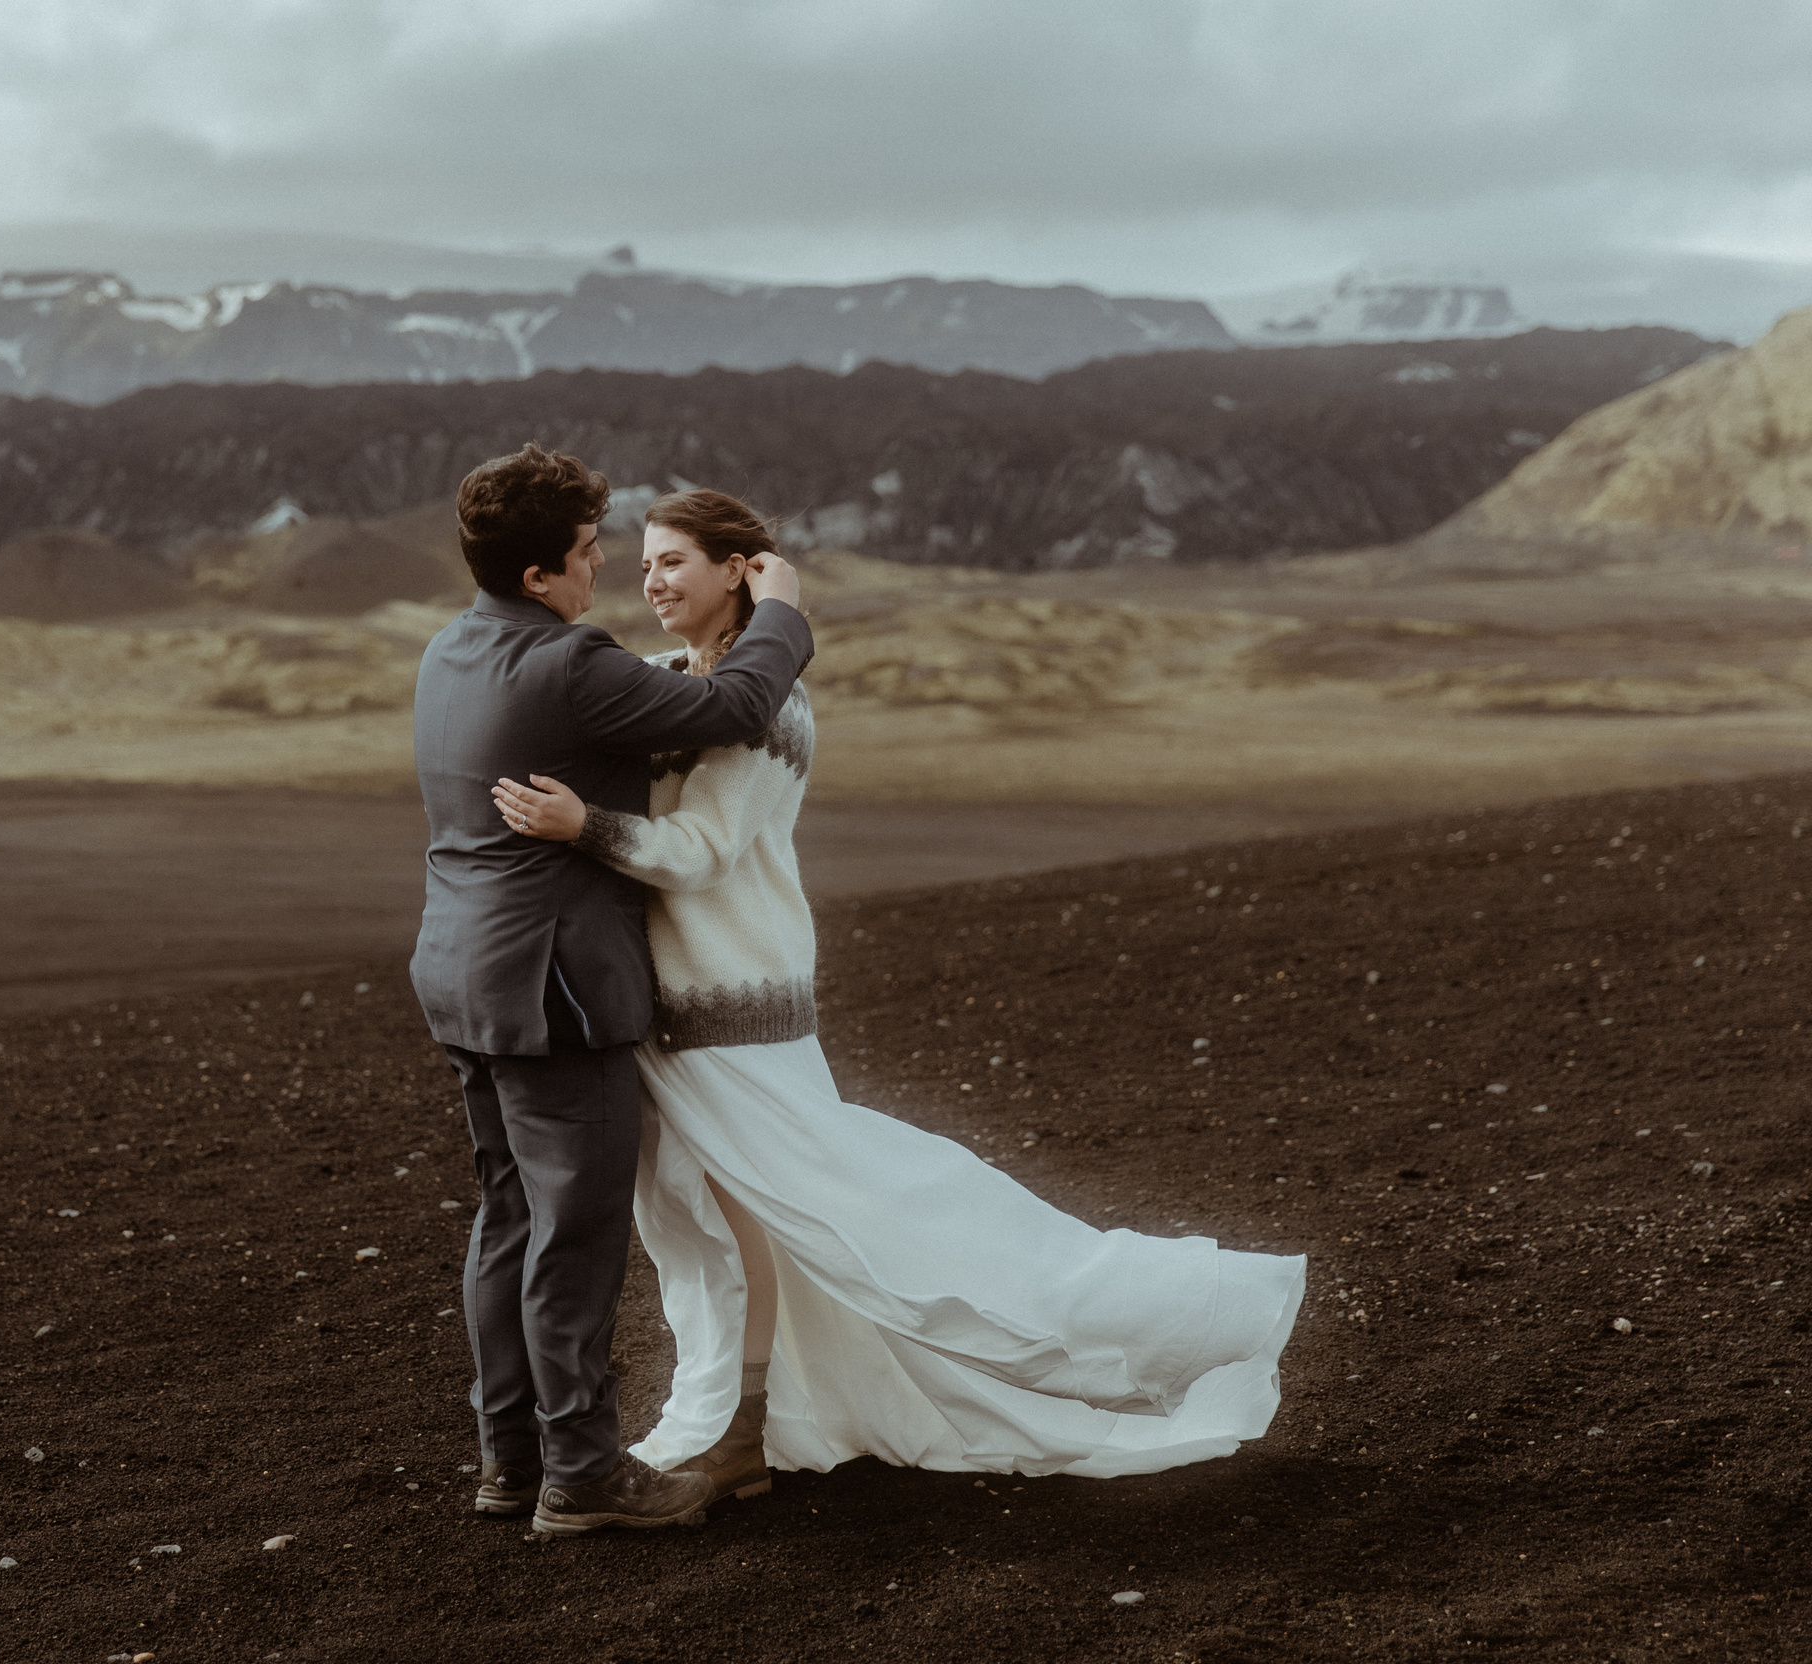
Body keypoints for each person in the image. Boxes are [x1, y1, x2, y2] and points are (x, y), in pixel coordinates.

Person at [493, 488, 1305, 1506]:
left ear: (740, 571)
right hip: (668, 1012)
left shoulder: (774, 707)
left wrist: (586, 831)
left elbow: (703, 853)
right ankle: (743, 1416)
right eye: (643, 564)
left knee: (804, 1213)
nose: (650, 582)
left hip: (735, 1011)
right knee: (704, 1224)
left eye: (674, 563)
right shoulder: (664, 680)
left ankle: (751, 1429)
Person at [410, 445, 817, 1536]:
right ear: (542, 575)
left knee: (505, 1221)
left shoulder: (450, 650)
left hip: (459, 976)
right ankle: (582, 1476)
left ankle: (509, 1462)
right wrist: (782, 609)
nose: (607, 574)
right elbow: (738, 708)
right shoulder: (568, 662)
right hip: (555, 993)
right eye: (592, 555)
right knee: (571, 1239)